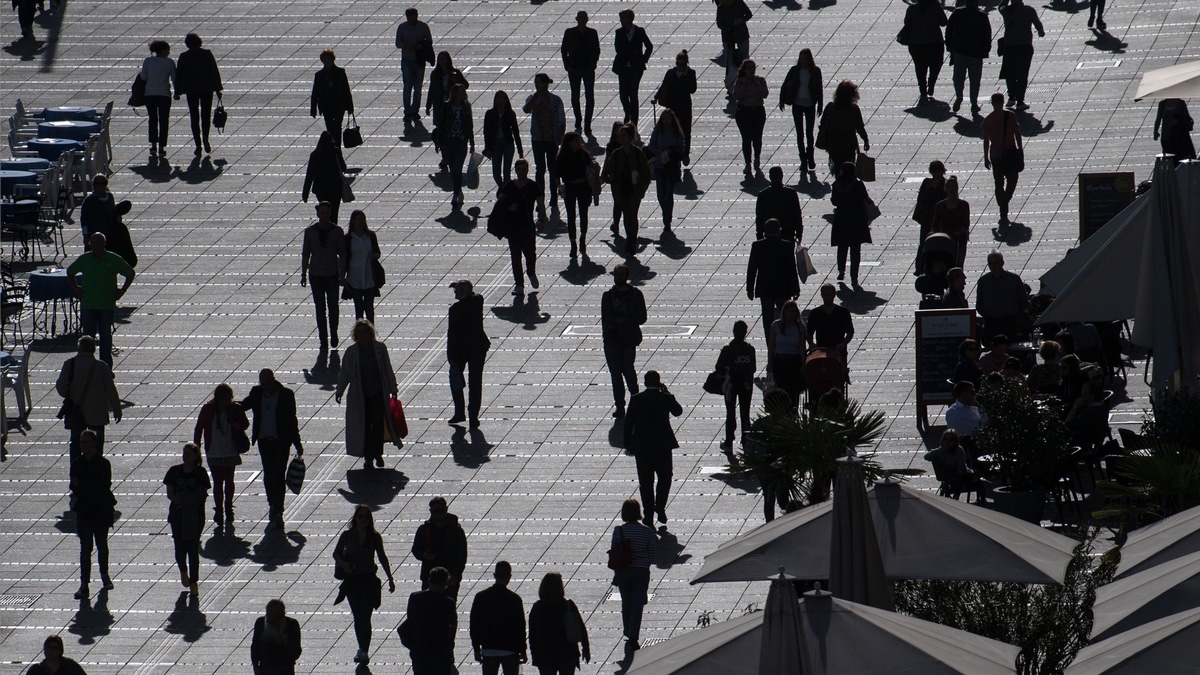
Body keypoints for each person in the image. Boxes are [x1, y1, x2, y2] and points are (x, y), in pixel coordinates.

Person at [238, 369, 303, 531]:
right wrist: (228, 406)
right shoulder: (257, 392)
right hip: (264, 441)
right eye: (262, 384)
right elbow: (245, 405)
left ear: (274, 380)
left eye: (267, 383)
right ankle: (272, 504)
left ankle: (278, 510)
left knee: (279, 475)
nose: (265, 387)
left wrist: (297, 443)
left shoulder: (286, 395)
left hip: (281, 441)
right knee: (268, 474)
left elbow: (291, 420)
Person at [334, 505, 396, 665]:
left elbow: (382, 557)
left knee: (365, 616)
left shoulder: (374, 537)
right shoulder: (347, 536)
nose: (364, 520)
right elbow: (336, 553)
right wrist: (344, 564)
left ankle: (364, 650)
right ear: (355, 518)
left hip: (369, 580)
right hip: (353, 581)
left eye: (367, 517)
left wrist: (390, 577)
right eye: (360, 516)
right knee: (358, 616)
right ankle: (361, 648)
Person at [336, 320, 399, 469]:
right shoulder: (352, 352)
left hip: (377, 394)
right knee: (364, 426)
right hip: (360, 396)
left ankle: (378, 454)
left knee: (377, 426)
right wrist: (339, 390)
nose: (362, 335)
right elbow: (345, 373)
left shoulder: (380, 348)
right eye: (360, 333)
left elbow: (387, 369)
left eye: (365, 332)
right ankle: (368, 457)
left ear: (370, 333)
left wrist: (393, 388)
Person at [67, 233, 135, 369]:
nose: (97, 246)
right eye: (94, 243)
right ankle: (87, 367)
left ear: (105, 244)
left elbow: (130, 273)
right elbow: (70, 272)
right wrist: (77, 289)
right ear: (90, 244)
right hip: (89, 304)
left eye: (99, 243)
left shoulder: (113, 258)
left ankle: (105, 368)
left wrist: (122, 291)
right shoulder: (85, 259)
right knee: (87, 339)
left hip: (106, 305)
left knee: (105, 339)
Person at [624, 370, 683, 526]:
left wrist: (628, 444)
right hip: (662, 445)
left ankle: (648, 514)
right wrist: (667, 391)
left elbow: (628, 422)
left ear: (644, 383)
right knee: (665, 477)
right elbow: (678, 412)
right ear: (659, 382)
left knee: (646, 482)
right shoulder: (666, 398)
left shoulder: (637, 399)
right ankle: (660, 507)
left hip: (642, 447)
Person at [56, 336, 122, 465]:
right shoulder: (101, 366)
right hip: (97, 414)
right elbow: (111, 391)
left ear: (79, 348)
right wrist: (117, 410)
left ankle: (76, 475)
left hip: (76, 413)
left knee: (76, 444)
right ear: (93, 349)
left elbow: (61, 388)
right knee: (97, 447)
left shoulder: (70, 364)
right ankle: (95, 473)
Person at [193, 383, 248, 532]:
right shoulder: (208, 410)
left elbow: (245, 423)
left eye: (229, 398)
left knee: (229, 480)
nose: (227, 402)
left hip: (230, 449)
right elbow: (199, 428)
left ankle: (228, 506)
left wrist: (237, 425)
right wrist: (196, 447)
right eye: (225, 399)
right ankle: (219, 509)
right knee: (218, 482)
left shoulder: (235, 408)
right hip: (214, 450)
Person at [70, 429, 115, 600]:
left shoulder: (103, 464)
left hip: (101, 509)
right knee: (85, 547)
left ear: (94, 444)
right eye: (82, 442)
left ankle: (105, 576)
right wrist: (85, 485)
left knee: (102, 544)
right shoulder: (77, 463)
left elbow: (103, 485)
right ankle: (84, 584)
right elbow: (74, 486)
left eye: (87, 442)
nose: (84, 446)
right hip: (85, 510)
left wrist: (83, 484)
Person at [163, 442, 210, 598]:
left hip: (195, 515)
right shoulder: (174, 472)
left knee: (193, 549)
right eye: (184, 454)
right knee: (179, 547)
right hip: (178, 515)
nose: (185, 457)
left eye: (188, 454)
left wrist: (191, 502)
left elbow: (203, 494)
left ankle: (194, 581)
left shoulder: (200, 473)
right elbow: (170, 494)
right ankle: (183, 571)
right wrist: (182, 501)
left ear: (195, 456)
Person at [610, 499, 655, 654]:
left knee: (626, 603)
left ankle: (628, 632)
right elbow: (652, 553)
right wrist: (644, 562)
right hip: (641, 571)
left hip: (623, 571)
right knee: (637, 604)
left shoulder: (618, 531)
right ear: (638, 512)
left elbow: (614, 551)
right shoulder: (647, 531)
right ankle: (633, 636)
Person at [300, 201, 346, 350]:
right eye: (322, 213)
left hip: (332, 273)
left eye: (327, 213)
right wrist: (303, 274)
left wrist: (343, 274)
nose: (325, 215)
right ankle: (323, 338)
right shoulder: (310, 232)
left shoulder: (337, 231)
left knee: (333, 306)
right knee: (320, 308)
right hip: (315, 275)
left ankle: (333, 332)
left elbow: (343, 254)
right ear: (318, 214)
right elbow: (306, 253)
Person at [602, 264, 647, 417]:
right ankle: (620, 406)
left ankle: (636, 402)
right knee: (615, 374)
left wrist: (625, 322)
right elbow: (606, 320)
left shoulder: (635, 294)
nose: (619, 277)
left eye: (622, 274)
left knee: (628, 370)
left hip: (629, 339)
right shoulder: (607, 296)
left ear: (627, 276)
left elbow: (642, 318)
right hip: (612, 341)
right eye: (616, 274)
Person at [747, 218, 801, 344]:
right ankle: (785, 340)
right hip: (783, 287)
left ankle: (770, 344)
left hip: (765, 288)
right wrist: (795, 288)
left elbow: (752, 268)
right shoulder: (787, 246)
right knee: (787, 316)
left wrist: (750, 289)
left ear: (765, 231)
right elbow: (791, 269)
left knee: (767, 319)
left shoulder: (757, 246)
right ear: (779, 230)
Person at [601, 124, 652, 255]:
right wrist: (610, 177)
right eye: (620, 136)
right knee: (626, 214)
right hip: (621, 189)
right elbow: (608, 170)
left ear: (630, 136)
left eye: (624, 135)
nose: (622, 138)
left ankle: (631, 240)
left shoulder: (637, 153)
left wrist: (642, 187)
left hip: (635, 190)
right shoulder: (617, 153)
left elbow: (646, 173)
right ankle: (630, 239)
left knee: (632, 215)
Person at [446, 280, 491, 428]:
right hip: (477, 348)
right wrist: (462, 285)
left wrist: (450, 356)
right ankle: (472, 416)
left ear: (464, 291)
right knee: (475, 382)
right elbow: (475, 295)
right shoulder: (477, 301)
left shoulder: (456, 309)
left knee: (456, 381)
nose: (455, 293)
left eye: (457, 290)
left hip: (461, 350)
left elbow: (452, 334)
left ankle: (460, 412)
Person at [469, 561, 527, 674]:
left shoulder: (481, 597)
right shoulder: (514, 599)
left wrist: (476, 648)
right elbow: (520, 626)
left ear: (494, 575)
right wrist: (522, 650)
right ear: (509, 576)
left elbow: (474, 624)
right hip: (510, 649)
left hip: (488, 648)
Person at [528, 572, 591, 675]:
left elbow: (532, 634)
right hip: (567, 653)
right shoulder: (568, 606)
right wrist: (586, 649)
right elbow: (581, 628)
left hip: (545, 655)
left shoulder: (538, 607)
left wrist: (534, 653)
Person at [523, 73, 566, 214]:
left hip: (551, 139)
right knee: (540, 169)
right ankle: (539, 198)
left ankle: (554, 197)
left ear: (546, 83)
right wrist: (535, 97)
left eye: (539, 82)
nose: (537, 85)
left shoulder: (555, 100)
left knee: (553, 169)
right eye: (535, 82)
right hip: (538, 139)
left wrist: (560, 136)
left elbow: (561, 120)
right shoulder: (533, 98)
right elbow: (526, 109)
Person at [174, 33, 223, 155]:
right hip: (207, 89)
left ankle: (198, 145)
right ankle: (206, 139)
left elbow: (179, 74)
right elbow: (213, 71)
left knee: (194, 117)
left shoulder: (184, 56)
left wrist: (177, 91)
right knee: (205, 116)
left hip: (191, 90)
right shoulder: (207, 54)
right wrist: (217, 89)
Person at [412, 496, 469, 600]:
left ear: (446, 509)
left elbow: (461, 556)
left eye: (441, 510)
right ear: (430, 511)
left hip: (449, 577)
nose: (438, 514)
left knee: (447, 609)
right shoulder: (424, 529)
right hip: (430, 577)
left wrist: (456, 575)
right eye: (434, 511)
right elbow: (415, 549)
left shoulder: (456, 530)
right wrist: (423, 555)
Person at [404, 566, 456, 674]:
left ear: (429, 580)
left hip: (419, 649)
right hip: (439, 652)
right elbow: (452, 627)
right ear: (444, 584)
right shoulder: (448, 602)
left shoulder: (415, 598)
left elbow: (410, 620)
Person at [829, 161, 873, 286]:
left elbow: (834, 201)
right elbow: (865, 198)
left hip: (841, 219)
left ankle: (841, 270)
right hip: (856, 219)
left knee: (842, 247)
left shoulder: (837, 184)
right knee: (855, 249)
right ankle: (854, 276)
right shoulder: (858, 185)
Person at [779, 49, 823, 170]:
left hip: (810, 104)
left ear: (809, 59)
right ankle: (803, 160)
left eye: (804, 58)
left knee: (809, 133)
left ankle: (811, 157)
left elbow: (819, 88)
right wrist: (781, 100)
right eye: (801, 58)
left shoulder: (815, 71)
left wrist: (820, 104)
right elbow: (785, 84)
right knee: (799, 133)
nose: (802, 61)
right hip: (797, 104)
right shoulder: (794, 70)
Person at [945, 0, 992, 114]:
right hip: (976, 52)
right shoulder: (982, 16)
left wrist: (949, 46)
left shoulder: (957, 13)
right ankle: (974, 103)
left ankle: (959, 95)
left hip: (959, 50)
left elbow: (949, 30)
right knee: (975, 79)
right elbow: (987, 34)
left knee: (958, 75)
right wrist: (985, 50)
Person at [716, 321, 756, 450]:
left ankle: (729, 440)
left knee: (730, 413)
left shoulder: (728, 349)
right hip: (746, 385)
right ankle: (745, 439)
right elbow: (753, 368)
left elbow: (718, 367)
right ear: (746, 332)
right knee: (745, 413)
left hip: (731, 385)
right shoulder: (750, 349)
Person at [646, 108, 687, 236]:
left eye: (668, 118)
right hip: (659, 165)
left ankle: (667, 221)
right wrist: (656, 151)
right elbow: (650, 145)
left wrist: (671, 151)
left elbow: (681, 148)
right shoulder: (658, 130)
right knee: (660, 194)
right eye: (664, 119)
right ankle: (666, 213)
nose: (666, 121)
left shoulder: (676, 132)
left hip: (671, 166)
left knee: (668, 194)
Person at [998, 0, 1045, 110]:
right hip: (1025, 46)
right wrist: (1040, 31)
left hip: (1009, 46)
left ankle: (1011, 97)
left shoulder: (1006, 10)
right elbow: (1037, 23)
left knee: (1010, 73)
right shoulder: (1029, 10)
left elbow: (1000, 7)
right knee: (1022, 74)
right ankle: (1020, 101)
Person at [561, 11, 601, 135]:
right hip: (574, 68)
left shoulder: (592, 32)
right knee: (575, 95)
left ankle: (587, 123)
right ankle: (578, 119)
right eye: (580, 17)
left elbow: (597, 49)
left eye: (584, 18)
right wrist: (567, 66)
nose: (583, 20)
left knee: (590, 96)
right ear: (576, 18)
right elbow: (564, 50)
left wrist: (593, 64)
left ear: (587, 19)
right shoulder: (569, 32)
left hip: (588, 68)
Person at [817, 81, 869, 173]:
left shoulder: (830, 107)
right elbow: (860, 127)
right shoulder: (854, 109)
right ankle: (847, 183)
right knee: (848, 168)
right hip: (849, 144)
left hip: (834, 143)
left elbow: (823, 123)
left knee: (837, 167)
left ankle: (839, 184)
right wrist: (865, 140)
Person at [341, 209, 382, 325]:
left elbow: (377, 252)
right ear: (353, 221)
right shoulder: (348, 239)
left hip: (369, 276)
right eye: (359, 219)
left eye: (363, 219)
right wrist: (342, 277)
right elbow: (344, 257)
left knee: (369, 309)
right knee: (358, 309)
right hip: (354, 277)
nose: (361, 222)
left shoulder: (370, 236)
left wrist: (375, 255)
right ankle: (359, 335)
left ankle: (371, 333)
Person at [556, 132, 594, 257]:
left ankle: (582, 238)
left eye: (579, 141)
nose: (579, 144)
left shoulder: (583, 154)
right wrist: (560, 187)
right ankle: (573, 243)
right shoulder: (562, 157)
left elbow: (591, 167)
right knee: (571, 216)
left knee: (584, 214)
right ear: (569, 143)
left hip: (583, 187)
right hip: (570, 187)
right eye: (576, 141)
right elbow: (556, 175)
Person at [976, 251, 1028, 342]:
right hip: (991, 323)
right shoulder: (983, 281)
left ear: (1002, 263)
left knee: (1011, 349)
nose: (993, 266)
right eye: (990, 264)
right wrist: (986, 315)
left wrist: (1016, 316)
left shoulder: (1013, 279)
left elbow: (1023, 300)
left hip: (1010, 322)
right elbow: (979, 303)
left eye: (995, 263)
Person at [654, 51, 698, 160]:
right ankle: (674, 151)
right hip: (672, 106)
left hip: (684, 106)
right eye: (678, 64)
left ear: (686, 64)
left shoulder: (691, 73)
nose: (680, 67)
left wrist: (686, 75)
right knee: (671, 128)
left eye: (682, 64)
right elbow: (664, 85)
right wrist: (656, 97)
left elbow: (693, 89)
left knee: (686, 130)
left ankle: (685, 153)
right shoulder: (671, 73)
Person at [612, 9, 653, 124]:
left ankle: (634, 119)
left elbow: (649, 46)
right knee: (623, 94)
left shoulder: (639, 31)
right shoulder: (619, 32)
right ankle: (627, 112)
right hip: (623, 67)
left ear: (629, 19)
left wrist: (643, 59)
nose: (620, 20)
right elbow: (617, 48)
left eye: (622, 18)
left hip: (636, 67)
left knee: (633, 93)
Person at [437, 84, 475, 208]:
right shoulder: (447, 106)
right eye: (462, 91)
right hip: (448, 141)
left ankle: (455, 194)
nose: (464, 93)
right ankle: (458, 191)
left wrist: (472, 143)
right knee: (453, 170)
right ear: (455, 93)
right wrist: (439, 142)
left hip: (461, 142)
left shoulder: (466, 107)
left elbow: (470, 126)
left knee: (457, 168)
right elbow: (440, 124)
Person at [903, 0, 947, 104]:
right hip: (934, 42)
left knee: (920, 67)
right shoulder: (935, 7)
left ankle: (923, 90)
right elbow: (944, 22)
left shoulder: (911, 9)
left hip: (916, 43)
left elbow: (906, 23)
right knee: (936, 64)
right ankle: (931, 82)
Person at [396, 8, 435, 125]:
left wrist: (421, 45)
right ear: (407, 17)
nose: (413, 19)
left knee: (418, 87)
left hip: (419, 60)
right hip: (407, 60)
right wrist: (407, 45)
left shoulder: (423, 27)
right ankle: (407, 112)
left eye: (415, 16)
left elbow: (429, 41)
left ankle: (415, 110)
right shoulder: (402, 27)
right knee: (407, 86)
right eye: (410, 17)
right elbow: (398, 43)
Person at [768, 301, 808, 412]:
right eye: (789, 312)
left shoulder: (800, 327)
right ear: (784, 312)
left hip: (794, 362)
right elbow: (772, 346)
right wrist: (770, 363)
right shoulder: (775, 325)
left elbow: (802, 347)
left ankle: (793, 412)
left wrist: (803, 364)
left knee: (794, 391)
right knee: (780, 389)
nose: (791, 314)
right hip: (780, 361)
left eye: (793, 312)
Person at [309, 49, 354, 146]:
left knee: (337, 127)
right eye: (324, 59)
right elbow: (315, 93)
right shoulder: (319, 75)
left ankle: (337, 147)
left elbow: (346, 89)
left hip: (339, 105)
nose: (327, 61)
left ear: (333, 59)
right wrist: (313, 109)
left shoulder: (340, 73)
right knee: (329, 128)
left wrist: (350, 107)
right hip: (326, 106)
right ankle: (333, 147)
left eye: (328, 59)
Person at [732, 60, 769, 177]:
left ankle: (757, 157)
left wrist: (757, 84)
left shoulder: (760, 80)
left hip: (757, 111)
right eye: (749, 68)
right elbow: (736, 96)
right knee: (746, 138)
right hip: (743, 111)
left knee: (757, 137)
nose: (751, 70)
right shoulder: (740, 81)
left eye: (753, 68)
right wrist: (744, 85)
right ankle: (747, 163)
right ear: (744, 69)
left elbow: (765, 94)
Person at [301, 131, 348, 223]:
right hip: (335, 188)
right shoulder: (335, 151)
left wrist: (305, 193)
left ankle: (324, 226)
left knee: (324, 211)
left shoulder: (315, 154)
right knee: (334, 213)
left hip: (321, 189)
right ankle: (333, 229)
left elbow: (309, 175)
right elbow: (343, 167)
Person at [141, 40, 176, 157]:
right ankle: (162, 146)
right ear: (163, 50)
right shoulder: (170, 63)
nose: (169, 52)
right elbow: (174, 79)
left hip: (149, 94)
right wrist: (177, 92)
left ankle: (153, 146)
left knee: (152, 119)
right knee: (164, 120)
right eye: (168, 50)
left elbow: (143, 76)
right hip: (164, 94)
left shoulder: (147, 61)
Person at [482, 91, 524, 187]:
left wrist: (520, 150)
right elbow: (486, 132)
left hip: (507, 143)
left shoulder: (510, 113)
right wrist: (487, 148)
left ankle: (506, 191)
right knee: (496, 173)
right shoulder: (490, 114)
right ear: (495, 100)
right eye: (499, 98)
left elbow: (516, 132)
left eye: (503, 98)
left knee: (506, 171)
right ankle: (503, 188)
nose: (501, 101)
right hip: (495, 144)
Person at [912, 160, 947, 273]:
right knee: (923, 243)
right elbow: (921, 199)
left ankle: (935, 267)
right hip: (927, 218)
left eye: (940, 171)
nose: (938, 174)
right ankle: (920, 267)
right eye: (935, 171)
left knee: (938, 244)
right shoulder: (926, 182)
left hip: (939, 219)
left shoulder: (945, 184)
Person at [427, 51, 469, 147]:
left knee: (451, 124)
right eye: (440, 59)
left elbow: (466, 85)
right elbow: (432, 90)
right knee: (440, 126)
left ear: (448, 60)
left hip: (452, 103)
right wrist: (428, 105)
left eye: (444, 59)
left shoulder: (455, 73)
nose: (442, 62)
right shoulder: (435, 74)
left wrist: (456, 82)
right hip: (439, 104)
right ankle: (442, 147)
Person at [250, 599, 302, 675]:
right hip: (265, 669)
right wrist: (255, 667)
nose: (276, 621)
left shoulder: (292, 625)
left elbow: (295, 652)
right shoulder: (260, 623)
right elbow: (255, 647)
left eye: (279, 617)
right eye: (273, 617)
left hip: (285, 670)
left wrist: (282, 635)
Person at [924, 428, 979, 499]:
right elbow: (926, 457)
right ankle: (954, 495)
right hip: (949, 475)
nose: (947, 442)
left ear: (955, 441)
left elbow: (961, 466)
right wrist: (940, 449)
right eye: (945, 439)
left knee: (969, 474)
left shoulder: (959, 450)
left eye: (950, 440)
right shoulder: (940, 451)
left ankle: (956, 496)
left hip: (961, 473)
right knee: (957, 476)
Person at [79, 175, 132, 246]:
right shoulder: (89, 200)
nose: (101, 185)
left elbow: (113, 212)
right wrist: (85, 235)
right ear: (94, 185)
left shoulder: (110, 197)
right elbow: (84, 219)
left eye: (103, 183)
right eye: (98, 183)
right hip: (95, 234)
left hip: (110, 233)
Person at [807, 283, 854, 360]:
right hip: (821, 351)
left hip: (838, 351)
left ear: (834, 295)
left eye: (830, 295)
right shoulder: (815, 313)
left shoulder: (843, 312)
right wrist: (811, 344)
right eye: (825, 295)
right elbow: (809, 332)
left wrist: (843, 344)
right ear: (822, 295)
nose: (828, 298)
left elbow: (850, 332)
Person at [930, 175, 969, 268]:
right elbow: (935, 224)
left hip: (959, 240)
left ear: (957, 188)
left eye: (953, 187)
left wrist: (960, 232)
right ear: (945, 189)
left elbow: (965, 223)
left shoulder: (964, 205)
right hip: (945, 240)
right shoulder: (940, 205)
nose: (951, 190)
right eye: (949, 187)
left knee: (958, 264)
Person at [756, 167, 803, 242]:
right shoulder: (791, 193)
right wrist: (799, 233)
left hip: (770, 231)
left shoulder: (763, 194)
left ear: (770, 177)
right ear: (782, 176)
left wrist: (759, 235)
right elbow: (797, 213)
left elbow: (759, 217)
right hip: (788, 231)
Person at [716, 0, 753, 80]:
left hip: (741, 34)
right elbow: (719, 23)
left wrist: (741, 20)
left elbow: (749, 14)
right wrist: (726, 29)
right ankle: (730, 78)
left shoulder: (739, 3)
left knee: (744, 57)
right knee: (729, 59)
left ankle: (747, 76)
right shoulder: (721, 8)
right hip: (727, 36)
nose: (724, 3)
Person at [1153, 98, 1197, 164]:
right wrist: (1155, 131)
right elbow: (1158, 119)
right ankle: (1171, 172)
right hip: (1166, 135)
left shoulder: (1181, 103)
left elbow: (1186, 117)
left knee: (1179, 157)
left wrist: (1178, 121)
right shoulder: (1162, 104)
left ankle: (1179, 172)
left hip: (1180, 136)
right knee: (1169, 156)